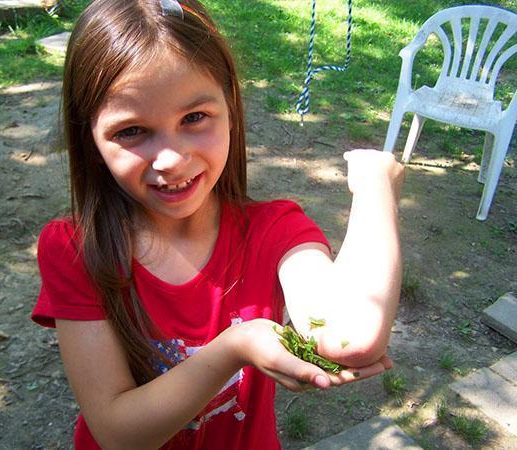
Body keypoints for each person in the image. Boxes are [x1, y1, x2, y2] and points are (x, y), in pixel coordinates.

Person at [31, 0, 404, 448]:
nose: (170, 160)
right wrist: (234, 347)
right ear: (89, 136)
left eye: (194, 118)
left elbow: (351, 339)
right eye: (131, 131)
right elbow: (117, 432)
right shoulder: (76, 248)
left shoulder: (275, 231)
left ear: (230, 107)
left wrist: (375, 185)